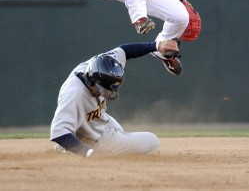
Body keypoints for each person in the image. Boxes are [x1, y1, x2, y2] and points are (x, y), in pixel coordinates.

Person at [50, 38, 180, 158]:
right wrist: (89, 153)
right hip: (95, 139)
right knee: (152, 140)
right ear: (91, 80)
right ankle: (76, 146)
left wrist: (156, 45)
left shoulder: (103, 64)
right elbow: (59, 132)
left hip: (98, 120)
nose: (105, 94)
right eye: (102, 90)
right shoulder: (73, 95)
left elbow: (125, 50)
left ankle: (71, 146)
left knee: (118, 129)